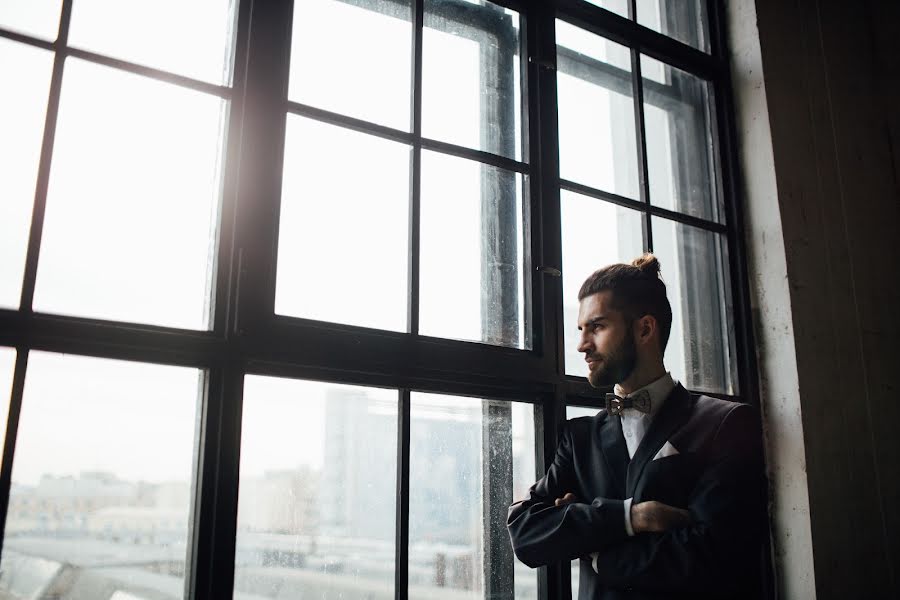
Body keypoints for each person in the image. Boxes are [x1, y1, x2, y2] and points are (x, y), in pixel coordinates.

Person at [507, 254, 765, 599]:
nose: (583, 345)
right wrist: (631, 517)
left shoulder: (726, 423)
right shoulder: (579, 438)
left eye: (597, 327)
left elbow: (713, 557)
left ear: (644, 329)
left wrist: (597, 553)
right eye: (581, 330)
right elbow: (525, 533)